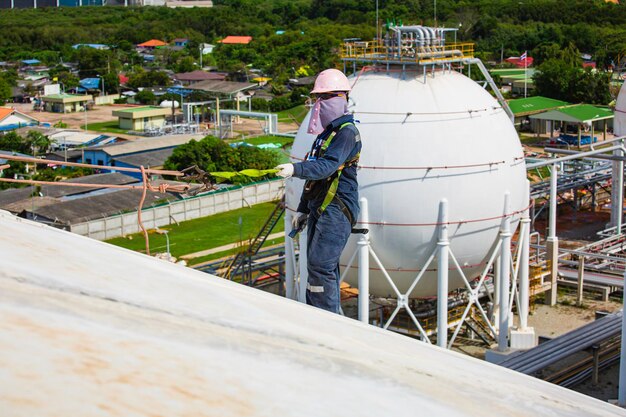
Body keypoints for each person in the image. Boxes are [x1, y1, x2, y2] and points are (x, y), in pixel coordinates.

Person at [275, 68, 362, 314]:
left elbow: (325, 168)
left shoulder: (347, 134)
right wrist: (302, 209)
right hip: (320, 206)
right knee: (316, 266)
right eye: (318, 98)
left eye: (324, 98)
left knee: (321, 265)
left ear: (340, 98)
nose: (319, 104)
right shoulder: (327, 134)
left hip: (336, 209)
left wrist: (294, 169)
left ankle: (327, 318)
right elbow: (314, 175)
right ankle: (317, 312)